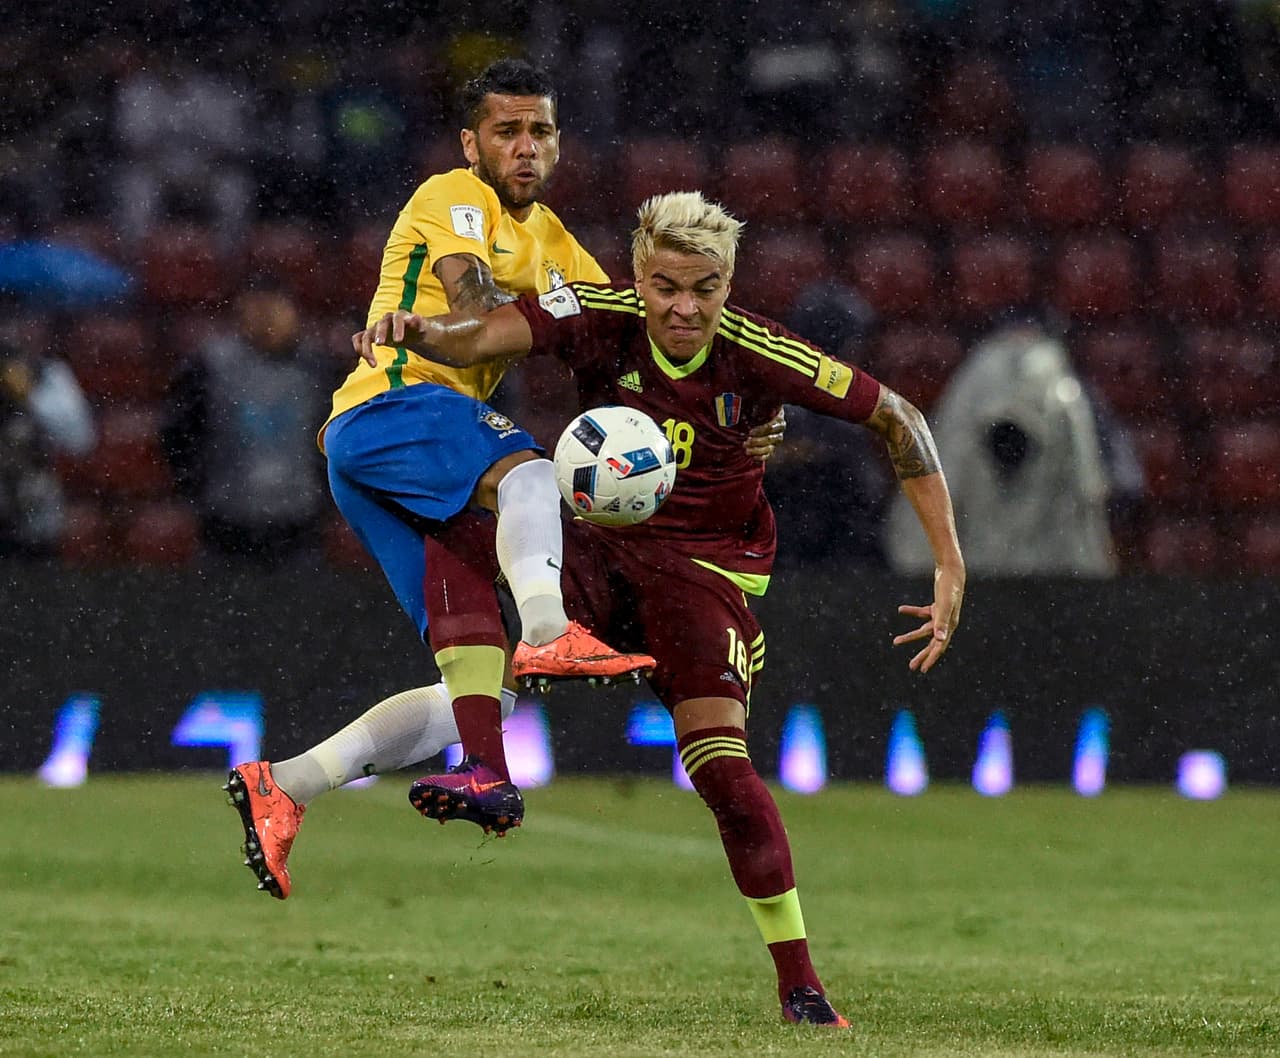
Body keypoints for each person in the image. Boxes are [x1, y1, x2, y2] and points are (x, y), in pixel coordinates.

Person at [352, 191, 967, 1028]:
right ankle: (458, 772)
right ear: (638, 277)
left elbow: (898, 416)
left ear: (729, 283)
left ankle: (800, 984)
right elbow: (488, 333)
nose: (684, 307)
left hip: (708, 575)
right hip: (599, 550)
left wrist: (948, 561)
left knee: (721, 768)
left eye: (705, 288)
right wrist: (418, 332)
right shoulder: (596, 313)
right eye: (666, 286)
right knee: (469, 543)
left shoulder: (759, 352)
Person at [222, 62, 782, 899]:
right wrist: (493, 321)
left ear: (557, 143)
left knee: (480, 676)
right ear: (471, 143)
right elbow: (473, 295)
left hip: (398, 467)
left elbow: (625, 339)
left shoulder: (555, 241)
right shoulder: (453, 194)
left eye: (540, 132)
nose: (524, 147)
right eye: (506, 131)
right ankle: (553, 627)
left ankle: (290, 784)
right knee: (529, 473)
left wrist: (734, 418)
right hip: (396, 406)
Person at [883, 314, 1118, 576]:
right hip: (984, 577)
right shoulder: (968, 404)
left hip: (1043, 578)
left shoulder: (1063, 403)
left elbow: (1084, 504)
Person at [161, 281, 330, 565]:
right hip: (225, 527)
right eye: (257, 308)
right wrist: (197, 491)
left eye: (274, 308)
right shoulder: (209, 366)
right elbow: (177, 435)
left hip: (299, 528)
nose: (266, 318)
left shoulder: (318, 370)